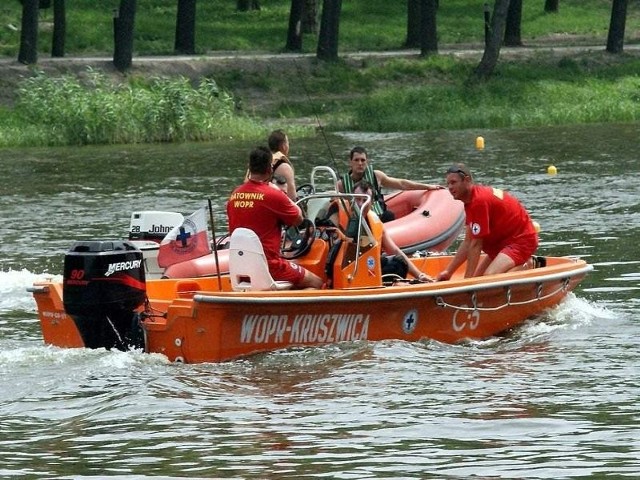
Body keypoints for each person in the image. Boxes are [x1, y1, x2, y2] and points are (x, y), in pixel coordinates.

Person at [227, 146, 323, 289]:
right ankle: (292, 311)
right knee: (317, 283)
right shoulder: (272, 195)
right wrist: (279, 192)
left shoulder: (234, 195)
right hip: (270, 265)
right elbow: (299, 219)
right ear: (269, 169)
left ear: (250, 168)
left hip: (240, 265)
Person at [436, 163, 539, 281]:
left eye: (453, 182)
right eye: (448, 184)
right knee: (478, 278)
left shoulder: (479, 202)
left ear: (467, 180)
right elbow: (468, 241)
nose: (450, 187)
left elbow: (476, 245)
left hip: (521, 241)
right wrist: (448, 271)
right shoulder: (470, 201)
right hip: (502, 244)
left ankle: (529, 264)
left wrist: (467, 282)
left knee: (489, 278)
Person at [336, 146, 443, 223]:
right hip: (356, 220)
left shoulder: (376, 176)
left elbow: (402, 184)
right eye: (356, 160)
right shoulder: (341, 185)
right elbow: (332, 201)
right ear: (350, 162)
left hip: (378, 216)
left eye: (363, 160)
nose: (360, 163)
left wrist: (427, 186)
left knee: (389, 215)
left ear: (367, 162)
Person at [352, 180, 432, 282]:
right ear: (351, 200)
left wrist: (419, 275)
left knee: (399, 263)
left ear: (371, 203)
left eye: (365, 200)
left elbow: (394, 251)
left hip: (370, 268)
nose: (360, 204)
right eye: (357, 199)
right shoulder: (341, 217)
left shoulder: (375, 223)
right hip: (348, 270)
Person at [268, 129, 297, 201]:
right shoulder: (284, 167)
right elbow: (292, 196)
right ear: (284, 146)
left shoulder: (262, 162)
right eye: (288, 143)